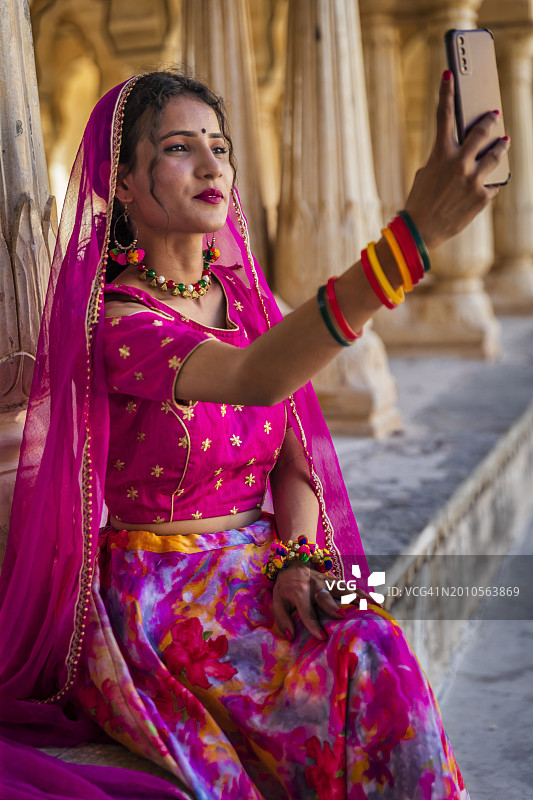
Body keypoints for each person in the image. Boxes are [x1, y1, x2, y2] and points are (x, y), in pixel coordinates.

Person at [0, 68, 508, 800]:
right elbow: (253, 379)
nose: (212, 165)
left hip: (269, 554)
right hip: (163, 592)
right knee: (318, 676)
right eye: (179, 148)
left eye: (220, 145)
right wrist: (411, 238)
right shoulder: (118, 323)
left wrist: (297, 558)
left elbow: (297, 463)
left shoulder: (246, 298)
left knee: (376, 639)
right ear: (125, 185)